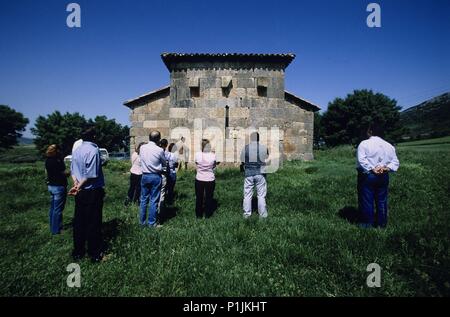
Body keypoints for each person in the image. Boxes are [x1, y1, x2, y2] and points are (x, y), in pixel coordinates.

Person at [70, 127, 105, 262]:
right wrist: (80, 185)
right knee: (94, 223)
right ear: (94, 137)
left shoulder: (77, 150)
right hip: (92, 190)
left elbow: (73, 170)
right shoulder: (93, 150)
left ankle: (78, 252)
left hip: (80, 191)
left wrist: (76, 185)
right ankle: (94, 253)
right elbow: (91, 174)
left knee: (79, 222)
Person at [357, 123, 400, 228]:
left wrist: (372, 168)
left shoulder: (364, 143)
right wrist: (385, 168)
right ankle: (382, 224)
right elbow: (395, 162)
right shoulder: (389, 146)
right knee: (382, 200)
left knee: (367, 200)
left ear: (370, 131)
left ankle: (367, 225)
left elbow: (362, 160)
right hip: (383, 175)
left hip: (368, 175)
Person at [139, 131, 166, 227]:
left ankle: (142, 223)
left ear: (149, 137)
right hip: (155, 175)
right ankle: (151, 223)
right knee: (154, 200)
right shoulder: (159, 150)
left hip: (145, 175)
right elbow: (164, 163)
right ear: (158, 139)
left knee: (143, 200)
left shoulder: (142, 148)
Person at [240, 132, 269, 219]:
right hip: (260, 173)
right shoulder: (263, 148)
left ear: (251, 138)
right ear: (258, 139)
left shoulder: (245, 148)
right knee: (261, 195)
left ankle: (246, 214)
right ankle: (263, 215)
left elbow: (242, 160)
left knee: (247, 195)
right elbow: (267, 158)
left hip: (248, 173)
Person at [45, 144, 69, 235]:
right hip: (59, 186)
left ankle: (52, 227)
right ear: (56, 151)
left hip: (51, 186)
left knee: (52, 208)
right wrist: (67, 173)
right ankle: (56, 230)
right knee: (58, 209)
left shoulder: (47, 160)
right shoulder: (57, 161)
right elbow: (61, 173)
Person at [194, 139, 217, 219]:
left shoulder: (197, 154)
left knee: (199, 197)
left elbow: (197, 164)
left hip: (199, 178)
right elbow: (214, 165)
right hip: (210, 178)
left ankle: (198, 215)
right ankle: (207, 215)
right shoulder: (213, 155)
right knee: (209, 197)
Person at [124, 142, 145, 206]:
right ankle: (137, 200)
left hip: (133, 172)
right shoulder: (142, 156)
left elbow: (132, 162)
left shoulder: (134, 154)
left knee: (132, 187)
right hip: (139, 173)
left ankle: (128, 199)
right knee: (139, 188)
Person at [158, 139, 170, 214]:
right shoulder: (164, 152)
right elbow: (165, 164)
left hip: (154, 173)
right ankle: (160, 211)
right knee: (162, 193)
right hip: (162, 173)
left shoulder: (156, 150)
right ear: (166, 145)